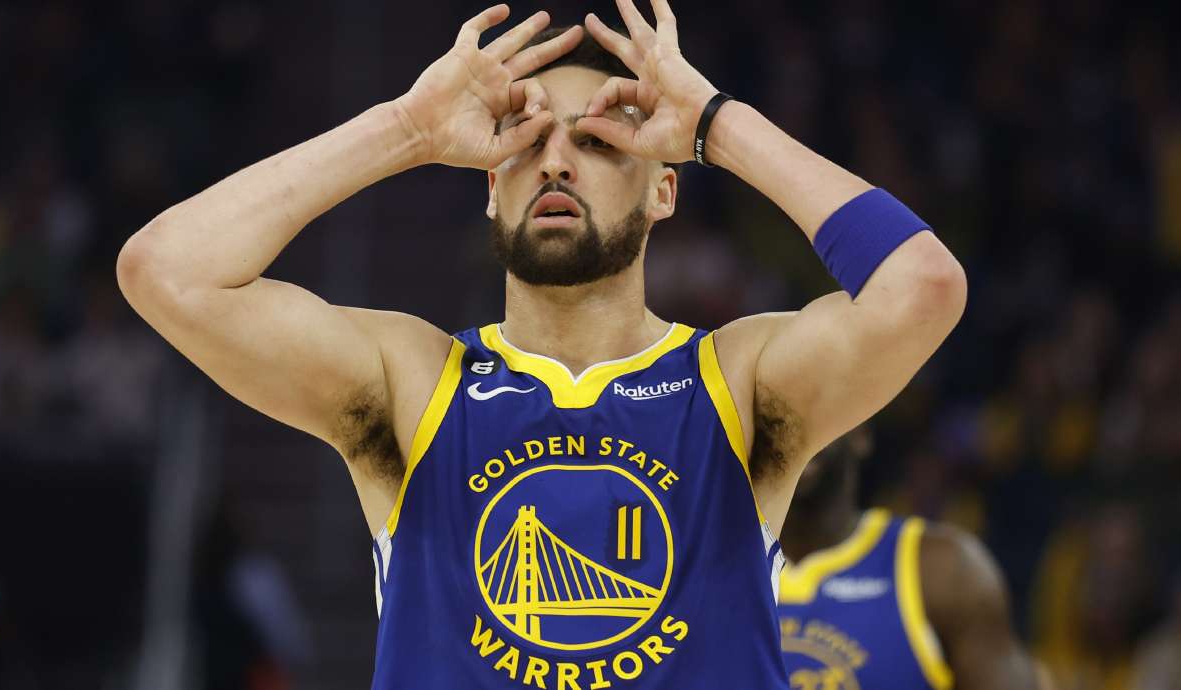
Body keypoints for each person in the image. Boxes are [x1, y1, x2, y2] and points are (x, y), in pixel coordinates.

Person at [117, 1, 966, 687]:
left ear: (664, 191)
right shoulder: (414, 382)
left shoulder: (739, 381)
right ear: (491, 187)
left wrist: (718, 125)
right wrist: (406, 130)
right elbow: (166, 270)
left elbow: (922, 286)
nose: (556, 163)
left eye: (596, 141)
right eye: (527, 140)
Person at [777, 427, 1044, 689]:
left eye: (817, 408)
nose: (798, 427)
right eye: (779, 414)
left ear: (862, 432)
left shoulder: (944, 569)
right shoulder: (748, 565)